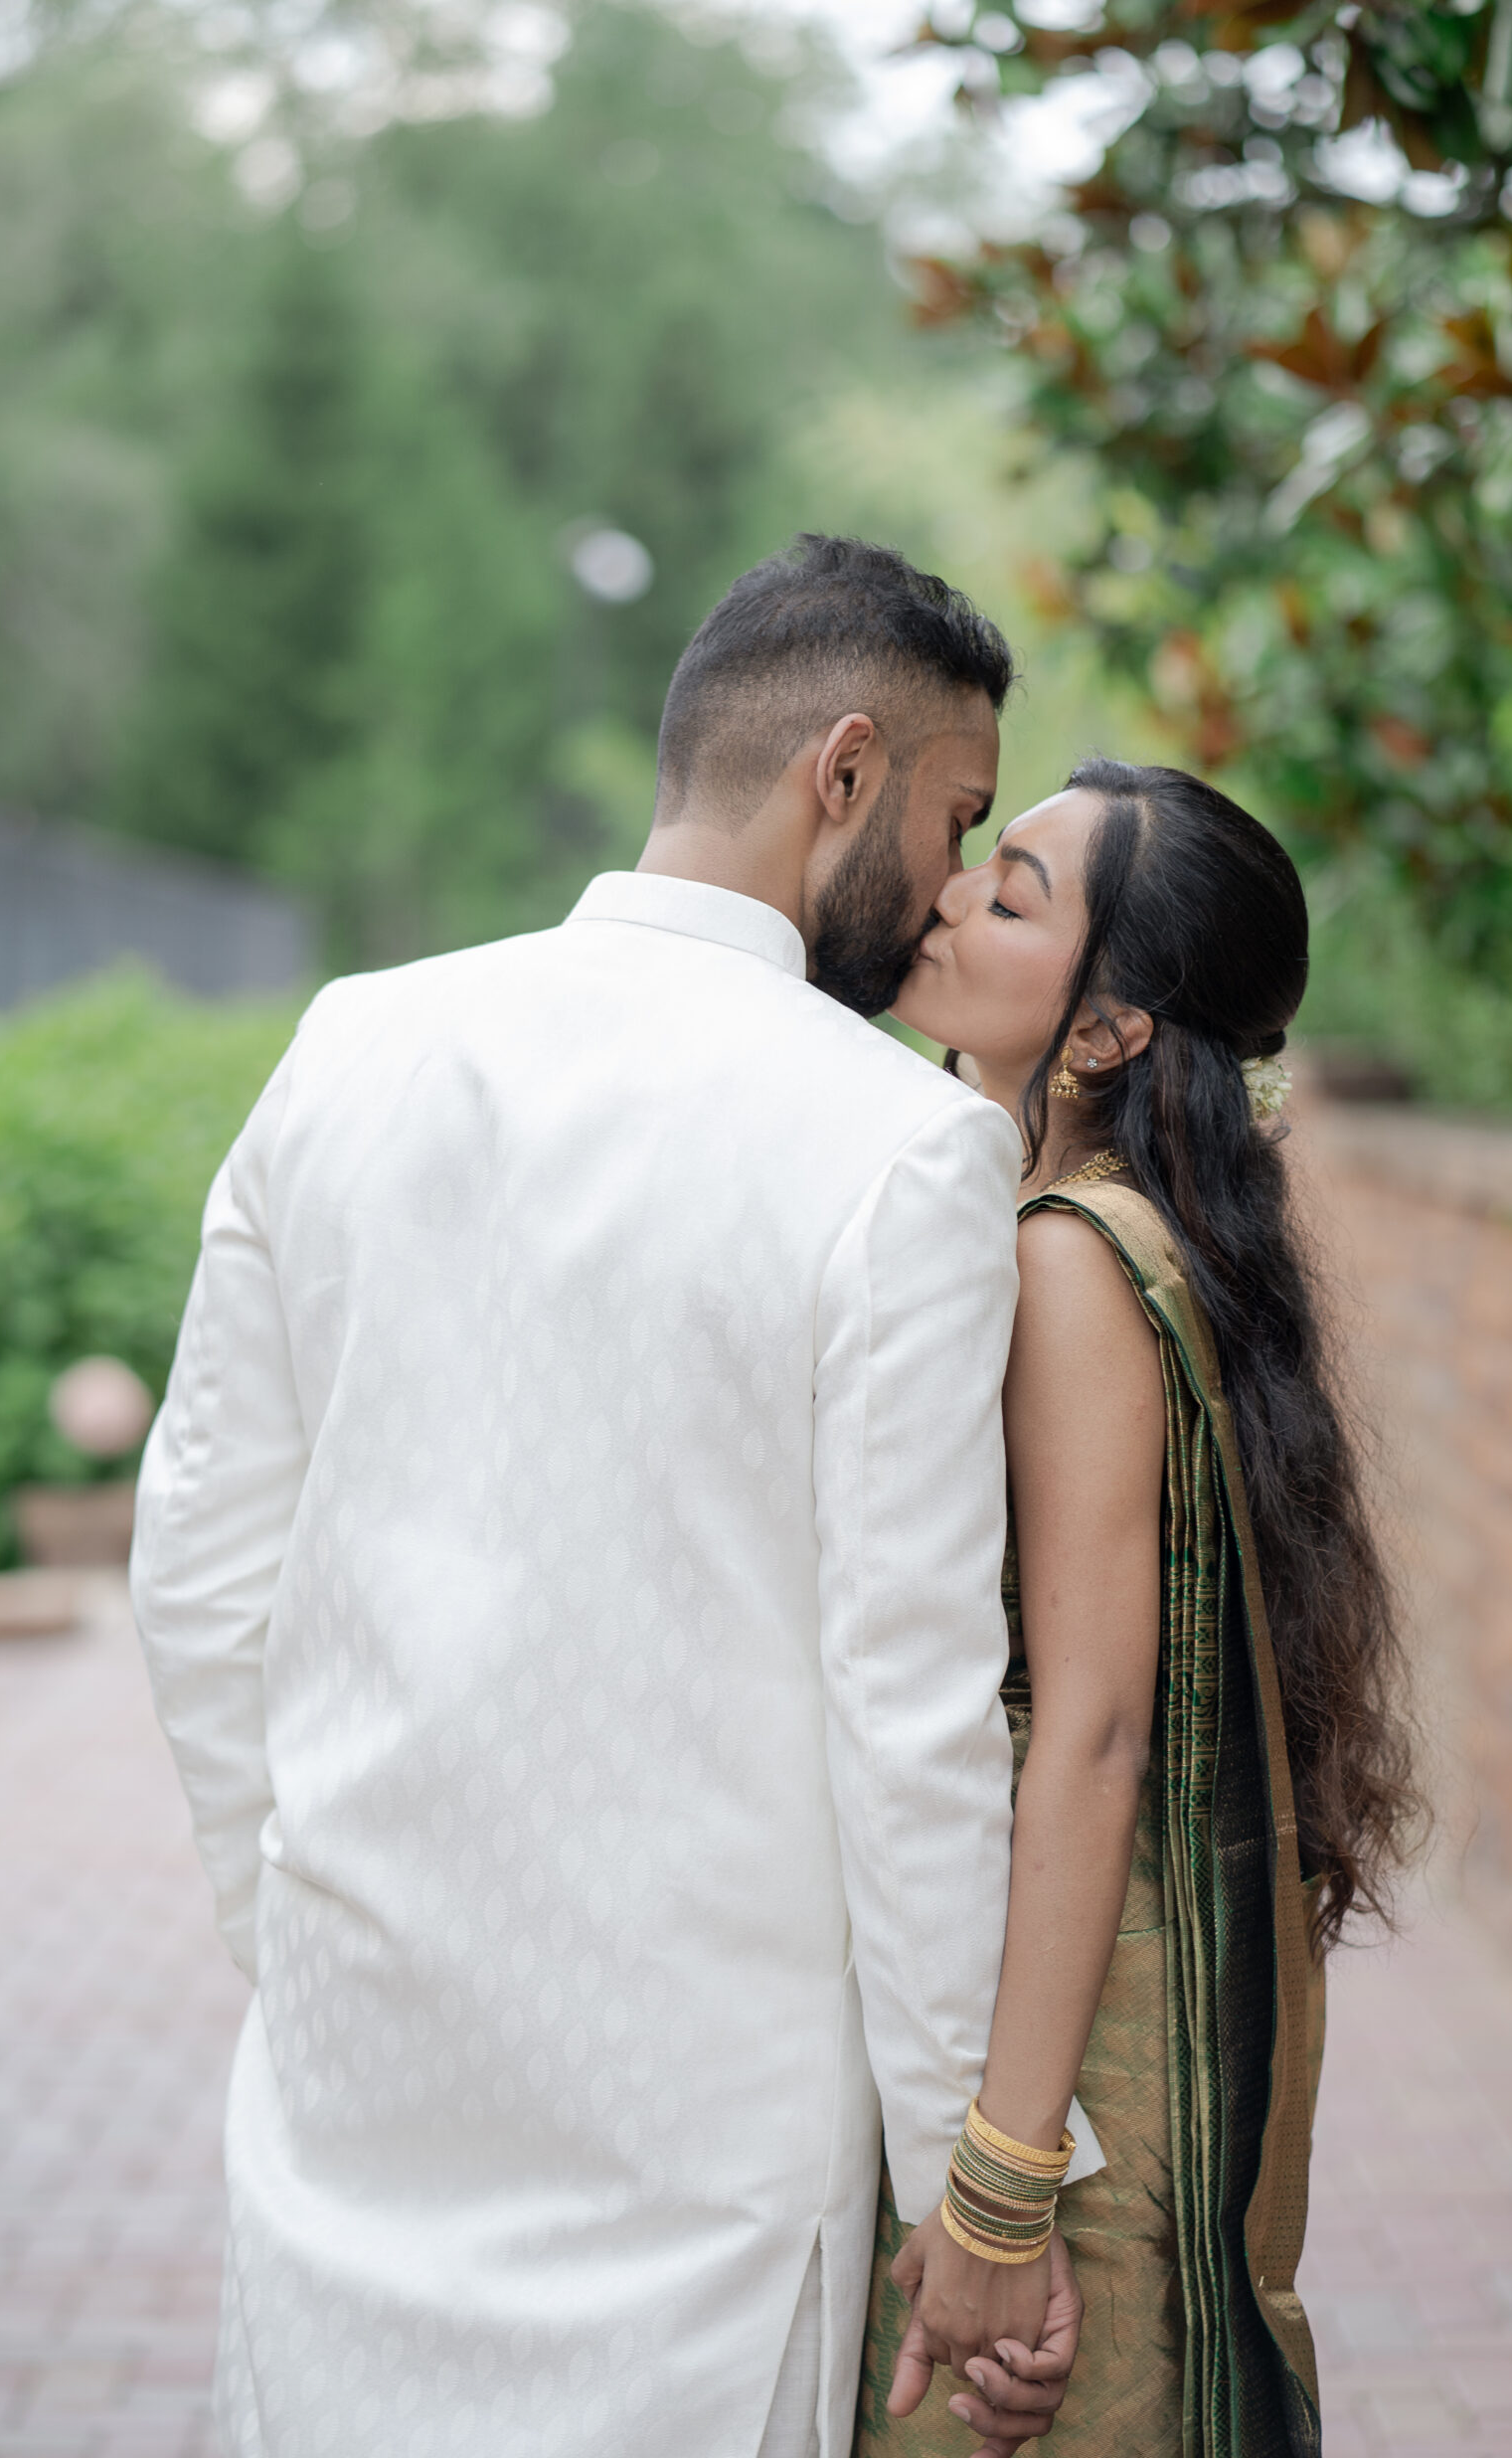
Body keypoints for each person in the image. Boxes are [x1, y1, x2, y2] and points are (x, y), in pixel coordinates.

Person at [131, 533, 1104, 2458]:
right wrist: (970, 2186)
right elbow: (905, 1715)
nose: (946, 886)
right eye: (953, 818)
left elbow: (198, 1577)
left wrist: (302, 1938)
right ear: (843, 772)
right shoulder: (903, 1151)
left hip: (348, 2104)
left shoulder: (350, 1046)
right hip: (702, 2177)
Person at [858, 759, 1422, 2458]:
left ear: (1106, 1032)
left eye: (1012, 891)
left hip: (1073, 2058)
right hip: (1073, 2012)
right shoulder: (1103, 1228)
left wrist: (1003, 2186)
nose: (950, 891)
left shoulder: (1066, 1256)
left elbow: (1094, 1730)